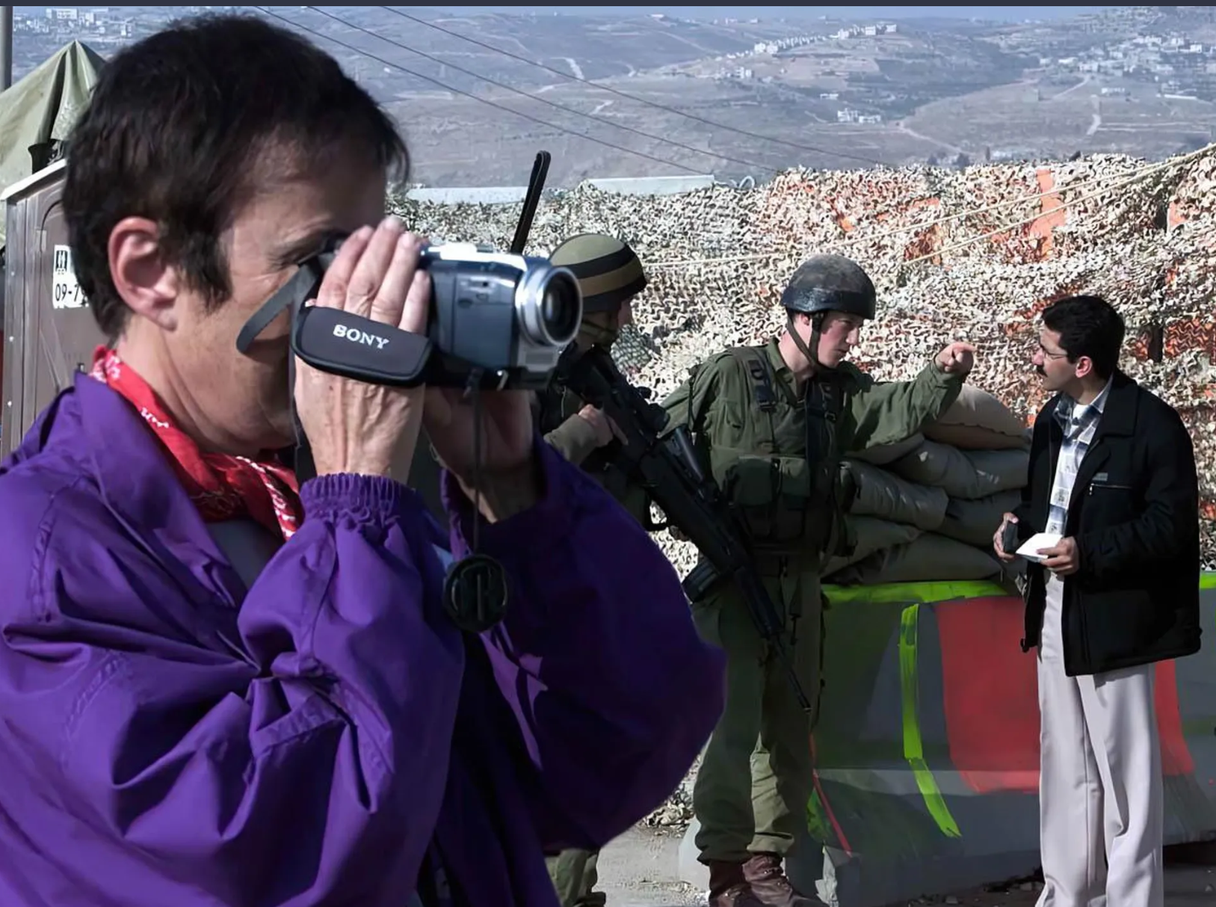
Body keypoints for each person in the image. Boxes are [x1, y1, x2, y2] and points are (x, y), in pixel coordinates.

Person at [0, 14, 726, 907]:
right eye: (319, 262)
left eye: (373, 255)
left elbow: (615, 749)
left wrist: (517, 501)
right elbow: (287, 856)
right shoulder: (39, 568)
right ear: (150, 270)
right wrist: (357, 513)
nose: (361, 307)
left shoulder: (328, 508)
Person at [662, 254, 976, 907]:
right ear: (805, 319)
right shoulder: (732, 375)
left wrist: (942, 376)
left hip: (800, 579)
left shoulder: (839, 393)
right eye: (844, 325)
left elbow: (892, 413)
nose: (853, 337)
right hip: (732, 579)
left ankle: (764, 859)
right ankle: (724, 868)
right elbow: (662, 439)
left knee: (791, 720)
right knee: (732, 722)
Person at [993, 294, 1200, 907]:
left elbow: (1170, 527)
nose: (1034, 359)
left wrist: (1090, 552)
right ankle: (1067, 894)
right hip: (1055, 605)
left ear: (1082, 363)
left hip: (1118, 614)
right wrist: (1016, 527)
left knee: (1127, 772)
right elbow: (1048, 506)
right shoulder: (1051, 420)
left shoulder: (1153, 427)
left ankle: (1134, 899)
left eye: (1044, 351)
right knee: (1065, 763)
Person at [534, 233, 651, 907]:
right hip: (546, 596)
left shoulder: (593, 372)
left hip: (593, 588)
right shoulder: (529, 372)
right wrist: (585, 431)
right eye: (615, 308)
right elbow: (495, 474)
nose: (625, 322)